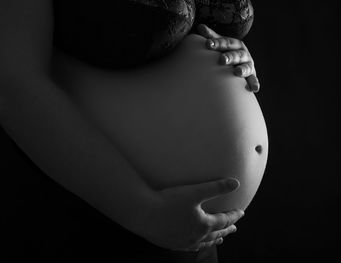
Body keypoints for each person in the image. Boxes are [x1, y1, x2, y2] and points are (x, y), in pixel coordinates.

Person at [0, 0, 260, 262]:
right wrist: (145, 212)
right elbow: (13, 85)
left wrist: (228, 52)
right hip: (100, 212)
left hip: (189, 230)